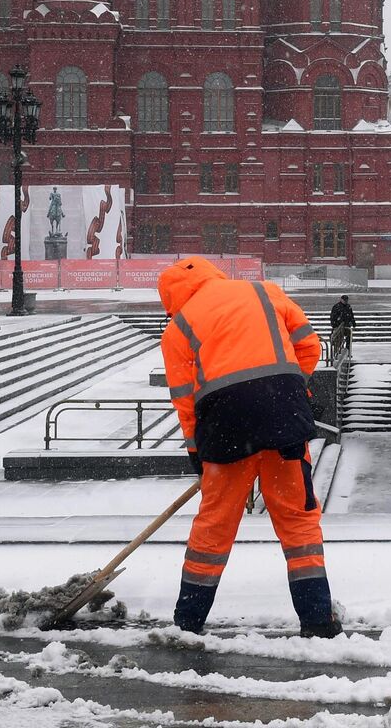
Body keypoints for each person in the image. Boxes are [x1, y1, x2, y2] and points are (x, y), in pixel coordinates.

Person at [158, 256, 339, 638]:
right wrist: (290, 391)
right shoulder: (263, 291)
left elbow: (184, 400)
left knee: (214, 528)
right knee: (298, 521)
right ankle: (318, 621)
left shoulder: (178, 328)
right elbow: (308, 344)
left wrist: (196, 451)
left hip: (226, 429)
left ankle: (188, 623)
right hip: (284, 422)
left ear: (171, 297)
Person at [329, 294, 356, 361]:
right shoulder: (336, 307)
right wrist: (334, 325)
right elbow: (333, 317)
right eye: (344, 300)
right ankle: (337, 352)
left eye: (346, 300)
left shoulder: (348, 306)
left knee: (349, 339)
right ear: (341, 299)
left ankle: (347, 351)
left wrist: (353, 323)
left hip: (346, 326)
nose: (346, 301)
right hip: (339, 327)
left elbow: (351, 315)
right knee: (339, 340)